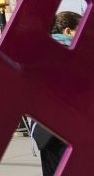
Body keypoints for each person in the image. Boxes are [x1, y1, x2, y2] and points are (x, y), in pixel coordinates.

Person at [31, 11, 82, 176]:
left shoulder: (43, 53)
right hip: (64, 134)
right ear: (68, 31)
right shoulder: (67, 55)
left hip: (47, 134)